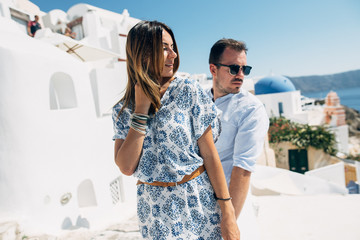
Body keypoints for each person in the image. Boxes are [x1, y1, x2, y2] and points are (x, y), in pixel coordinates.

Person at [112, 21, 239, 239]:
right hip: (154, 212)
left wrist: (228, 212)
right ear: (141, 52)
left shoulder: (187, 90)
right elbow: (126, 166)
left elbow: (209, 154)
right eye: (164, 47)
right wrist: (141, 111)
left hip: (197, 201)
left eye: (173, 47)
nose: (173, 54)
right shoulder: (123, 109)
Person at [207, 39, 269, 239]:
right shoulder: (200, 101)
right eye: (234, 68)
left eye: (245, 69)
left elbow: (242, 169)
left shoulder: (251, 110)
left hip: (228, 210)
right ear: (213, 69)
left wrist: (229, 221)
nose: (240, 75)